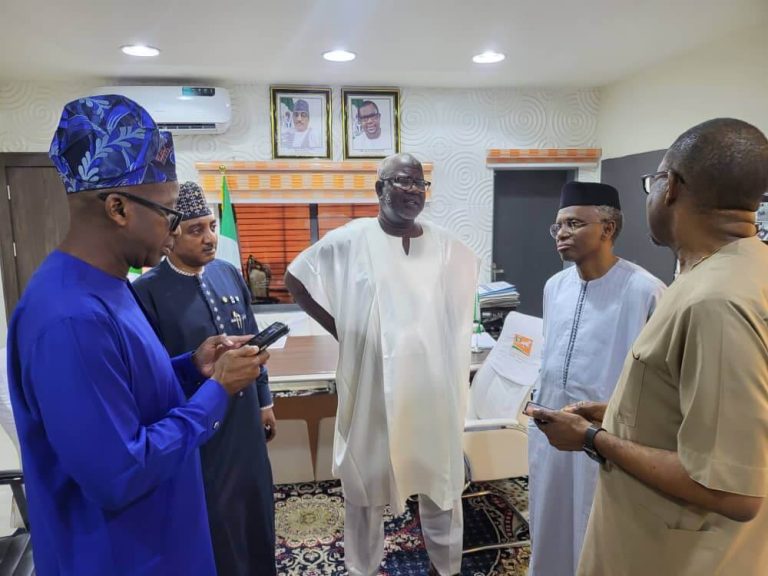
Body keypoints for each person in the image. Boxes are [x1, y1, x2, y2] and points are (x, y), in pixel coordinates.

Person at [6, 94, 269, 576]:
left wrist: (192, 368)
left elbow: (121, 390)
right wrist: (215, 393)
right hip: (122, 556)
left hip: (164, 538)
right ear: (118, 208)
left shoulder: (111, 285)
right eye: (169, 213)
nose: (173, 232)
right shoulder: (67, 318)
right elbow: (120, 473)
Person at [530, 118, 768, 575]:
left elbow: (733, 489)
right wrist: (613, 412)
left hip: (673, 547)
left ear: (671, 187)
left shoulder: (714, 298)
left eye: (653, 181)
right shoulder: (720, 274)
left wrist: (593, 438)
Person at [285, 153, 478, 576]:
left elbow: (459, 306)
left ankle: (446, 568)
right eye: (402, 182)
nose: (413, 191)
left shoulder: (446, 246)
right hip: (373, 391)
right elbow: (295, 279)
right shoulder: (351, 240)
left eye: (420, 184)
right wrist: (346, 332)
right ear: (379, 189)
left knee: (440, 485)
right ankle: (362, 567)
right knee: (365, 487)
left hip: (431, 391)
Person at [133, 181, 277, 576]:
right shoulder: (146, 292)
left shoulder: (229, 274)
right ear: (170, 234)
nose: (210, 238)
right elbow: (154, 374)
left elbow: (252, 343)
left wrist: (265, 402)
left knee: (256, 507)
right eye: (196, 230)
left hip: (245, 420)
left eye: (212, 226)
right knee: (216, 518)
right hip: (198, 428)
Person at [527, 182, 665, 576]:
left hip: (605, 439)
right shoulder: (555, 287)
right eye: (558, 226)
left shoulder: (646, 292)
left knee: (595, 530)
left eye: (574, 223)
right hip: (551, 434)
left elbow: (658, 384)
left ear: (607, 228)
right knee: (549, 524)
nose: (563, 234)